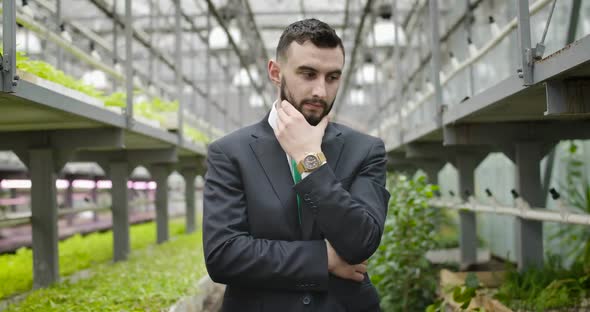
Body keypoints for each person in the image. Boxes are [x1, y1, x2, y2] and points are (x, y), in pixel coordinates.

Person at [203, 18, 390, 312]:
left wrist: (309, 159)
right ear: (276, 73)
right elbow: (224, 256)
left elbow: (361, 242)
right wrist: (324, 259)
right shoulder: (229, 152)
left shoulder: (365, 150)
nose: (321, 91)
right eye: (308, 74)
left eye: (332, 77)